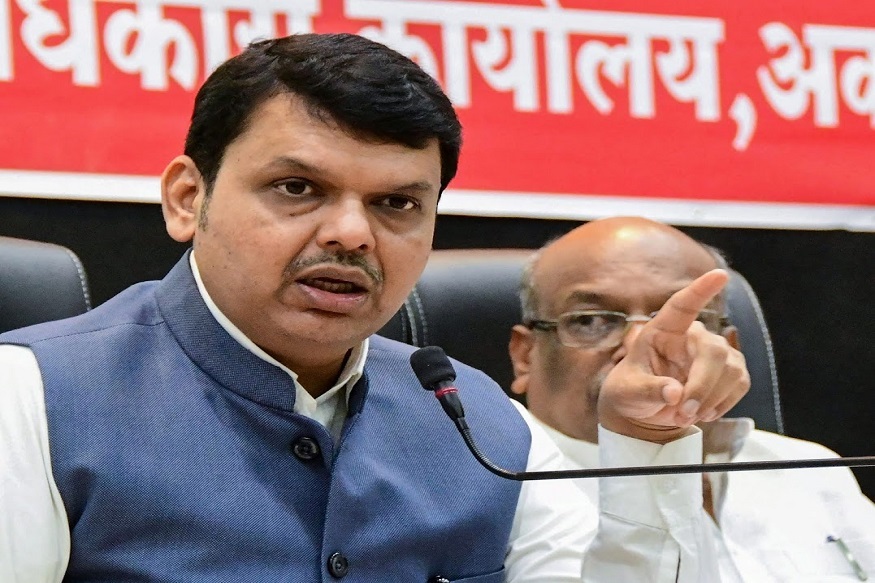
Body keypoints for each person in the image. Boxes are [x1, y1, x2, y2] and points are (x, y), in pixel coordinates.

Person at [0, 35, 746, 582]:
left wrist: (647, 443)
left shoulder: (482, 420)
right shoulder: (30, 399)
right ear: (188, 198)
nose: (351, 233)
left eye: (395, 203)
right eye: (297, 188)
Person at [509, 216, 875, 582]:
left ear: (728, 349)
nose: (641, 346)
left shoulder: (807, 466)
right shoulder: (503, 495)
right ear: (524, 356)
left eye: (687, 320)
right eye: (591, 321)